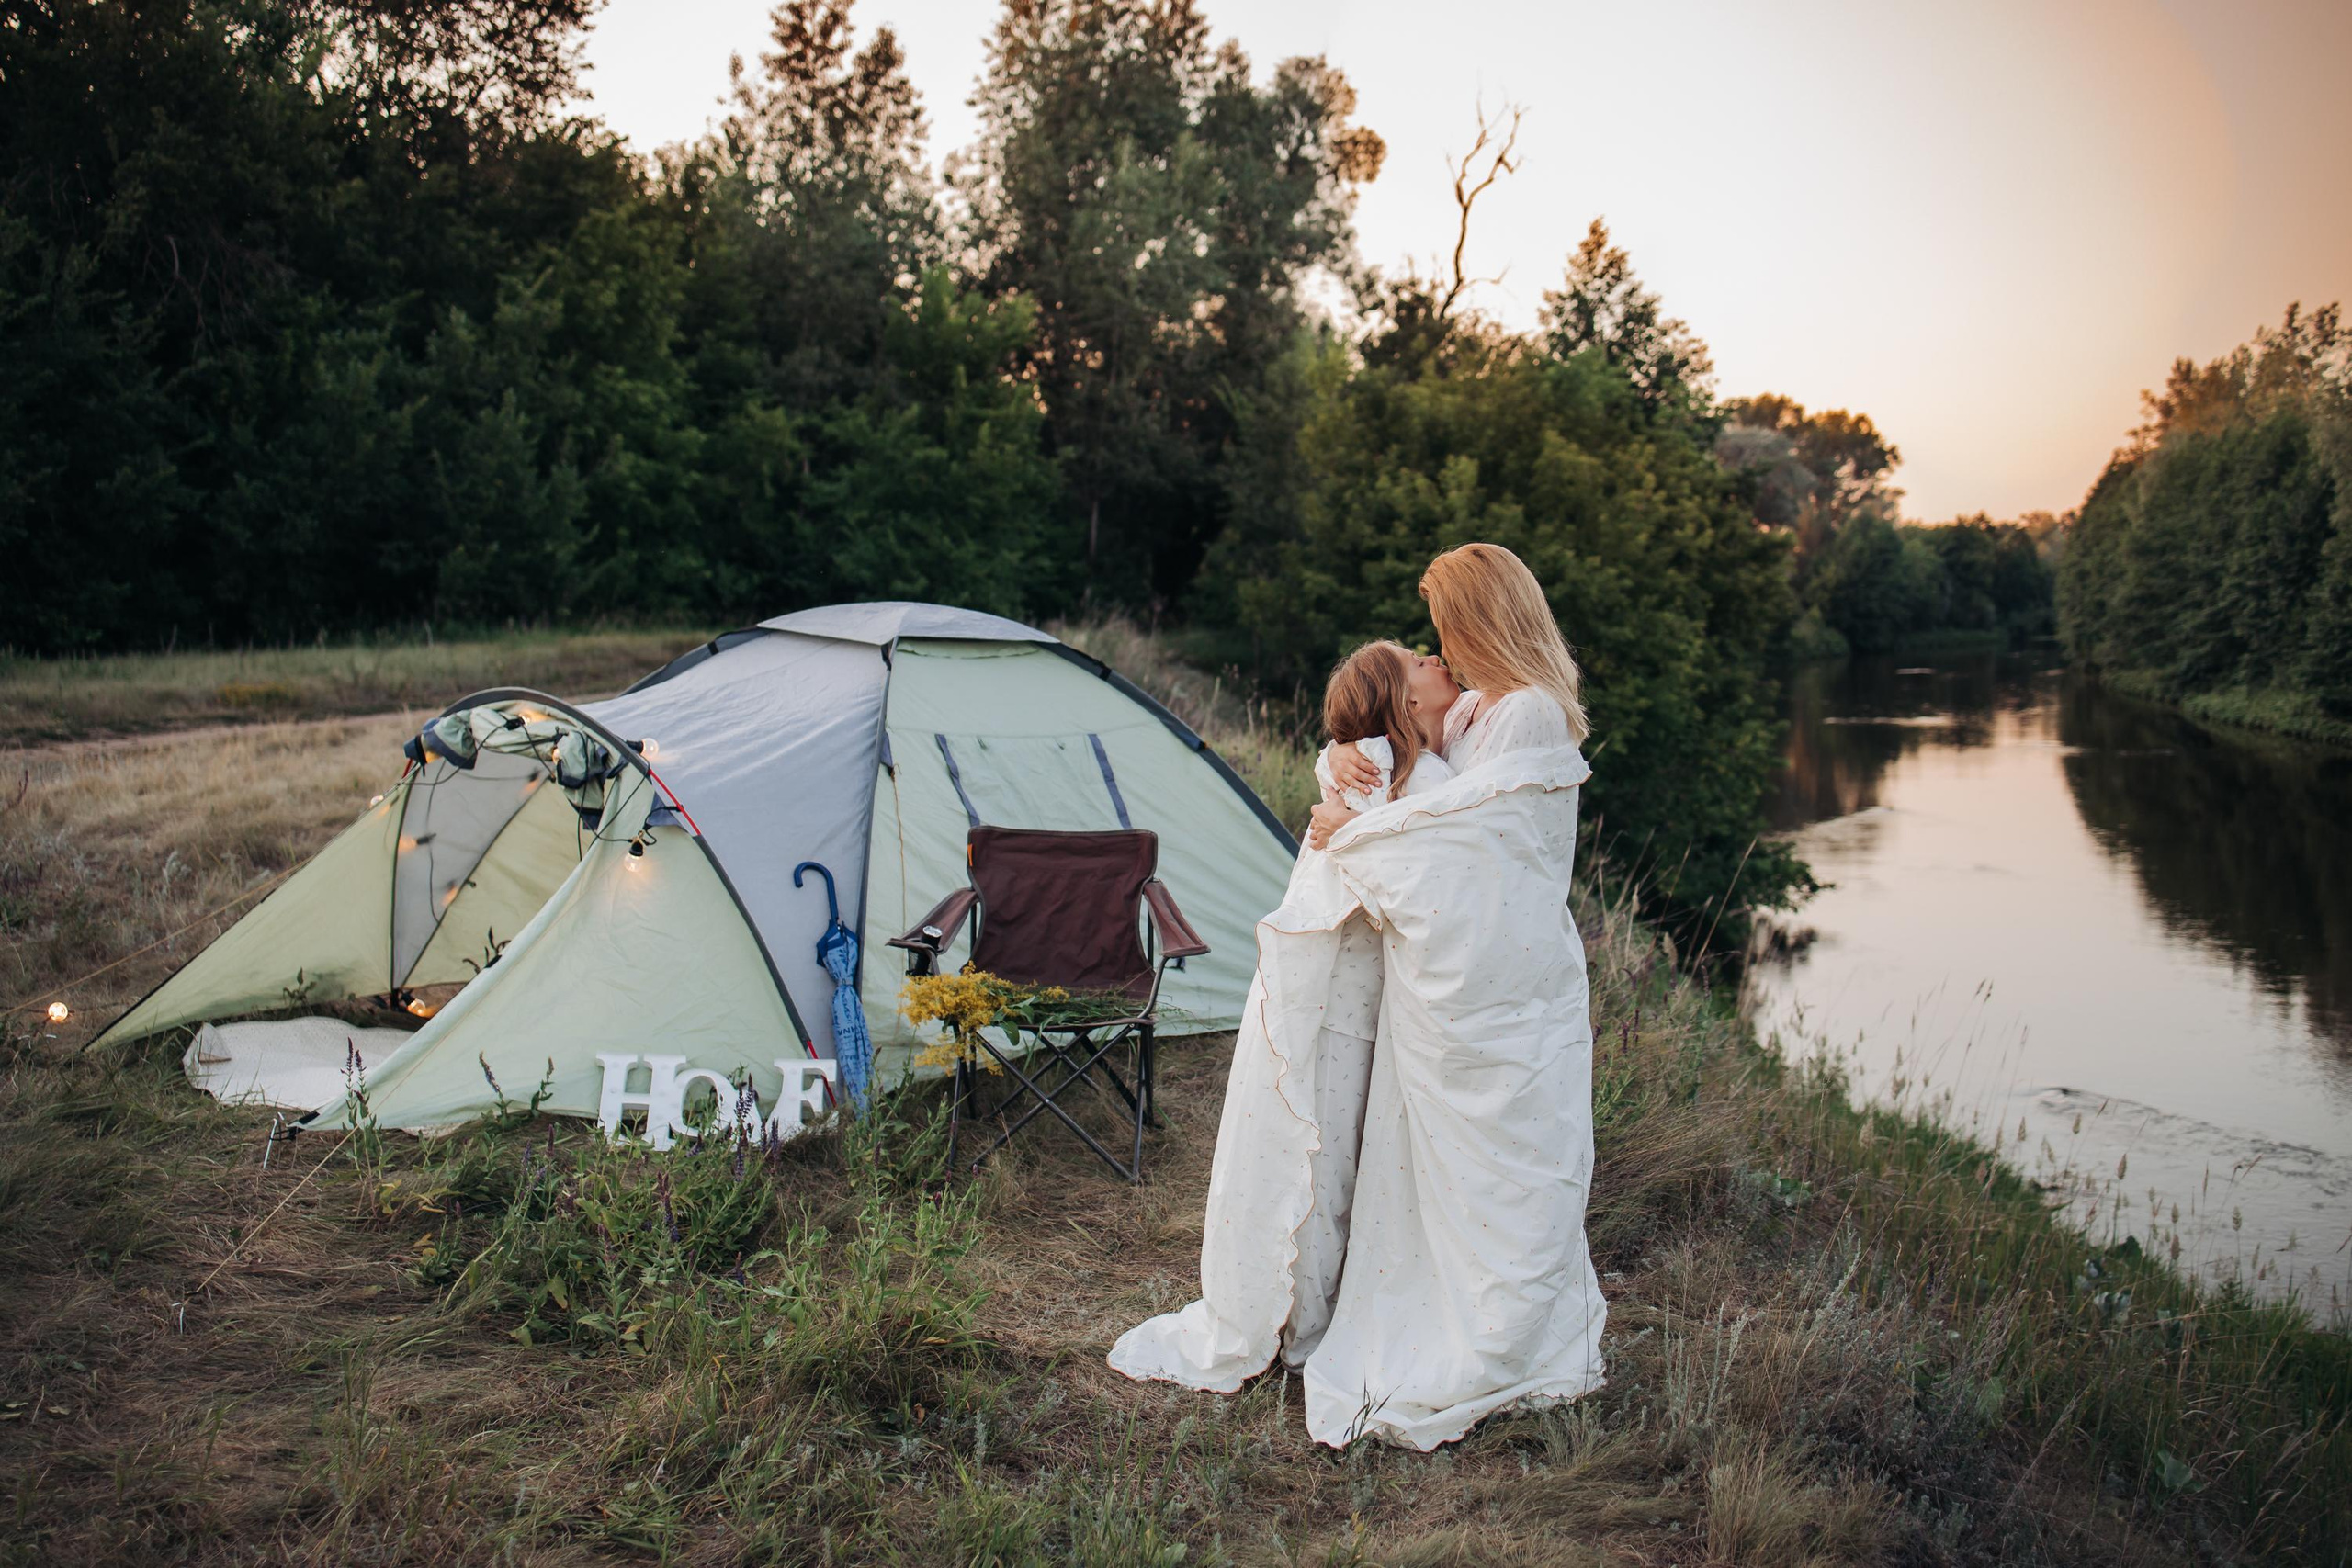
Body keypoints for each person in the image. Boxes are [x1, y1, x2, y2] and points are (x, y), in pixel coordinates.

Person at [1114, 542, 1609, 1450]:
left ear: (1484, 619)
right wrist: (1340, 760)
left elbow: (1474, 836)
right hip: (1436, 984)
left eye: (1444, 626)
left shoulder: (1529, 712)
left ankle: (1501, 1337)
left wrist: (1353, 827)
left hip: (1501, 982)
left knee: (1505, 1166)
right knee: (1427, 1178)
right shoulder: (1474, 707)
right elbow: (1400, 758)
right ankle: (1421, 1310)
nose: (1437, 645)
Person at [1107, 641, 1459, 1389]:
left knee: (1310, 1156)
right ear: (1401, 701)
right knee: (1326, 1167)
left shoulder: (1372, 765)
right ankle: (1304, 1329)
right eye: (1415, 659)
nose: (1431, 655)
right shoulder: (1410, 775)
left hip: (1318, 995)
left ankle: (1298, 1311)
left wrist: (1334, 765)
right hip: (1342, 1007)